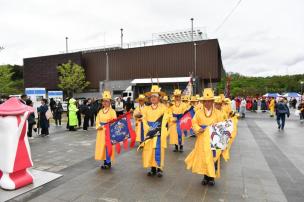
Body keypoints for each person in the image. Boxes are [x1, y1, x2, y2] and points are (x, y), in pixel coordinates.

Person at [185, 88, 222, 186]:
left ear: (212, 101)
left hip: (214, 138)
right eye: (206, 101)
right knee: (204, 157)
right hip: (202, 138)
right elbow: (194, 122)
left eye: (209, 101)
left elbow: (222, 125)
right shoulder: (199, 112)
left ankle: (212, 177)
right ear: (203, 102)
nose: (208, 103)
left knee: (213, 157)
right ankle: (205, 177)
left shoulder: (218, 113)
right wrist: (197, 128)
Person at [141, 85, 169, 177]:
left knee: (159, 149)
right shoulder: (146, 108)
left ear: (159, 98)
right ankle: (152, 168)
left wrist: (160, 127)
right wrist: (148, 128)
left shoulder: (163, 108)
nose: (153, 98)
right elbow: (143, 119)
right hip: (150, 132)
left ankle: (159, 168)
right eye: (152, 96)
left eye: (155, 96)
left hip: (159, 132)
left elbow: (166, 118)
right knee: (150, 150)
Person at [95, 91, 117, 169]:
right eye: (103, 101)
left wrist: (109, 125)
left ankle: (108, 162)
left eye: (106, 101)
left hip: (108, 131)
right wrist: (98, 126)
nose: (105, 103)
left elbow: (114, 121)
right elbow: (97, 120)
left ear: (110, 102)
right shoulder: (100, 111)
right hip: (101, 131)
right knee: (102, 146)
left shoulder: (112, 111)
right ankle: (104, 161)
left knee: (108, 146)